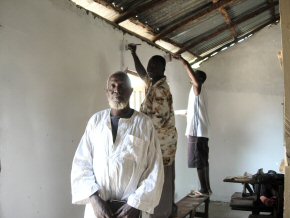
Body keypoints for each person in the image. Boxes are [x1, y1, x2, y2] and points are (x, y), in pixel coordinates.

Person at [71, 71, 164, 218]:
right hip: (99, 210)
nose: (117, 90)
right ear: (107, 91)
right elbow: (81, 164)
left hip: (131, 211)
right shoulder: (95, 122)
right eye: (113, 86)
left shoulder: (144, 124)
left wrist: (135, 204)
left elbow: (155, 169)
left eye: (122, 86)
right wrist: (94, 200)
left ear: (130, 91)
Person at [128, 44, 178, 218]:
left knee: (162, 178)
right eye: (149, 65)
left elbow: (158, 119)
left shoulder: (161, 90)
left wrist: (137, 129)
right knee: (161, 176)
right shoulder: (153, 83)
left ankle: (163, 213)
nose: (149, 69)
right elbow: (142, 73)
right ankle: (166, 210)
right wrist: (134, 53)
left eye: (154, 66)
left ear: (162, 69)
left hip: (163, 143)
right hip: (160, 141)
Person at [179, 57, 212, 195]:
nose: (192, 80)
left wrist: (184, 62)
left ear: (198, 80)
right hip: (202, 132)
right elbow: (191, 112)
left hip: (196, 132)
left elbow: (196, 82)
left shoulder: (197, 88)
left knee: (199, 161)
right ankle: (207, 188)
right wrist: (173, 112)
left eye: (195, 77)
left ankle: (203, 189)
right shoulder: (198, 92)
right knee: (203, 161)